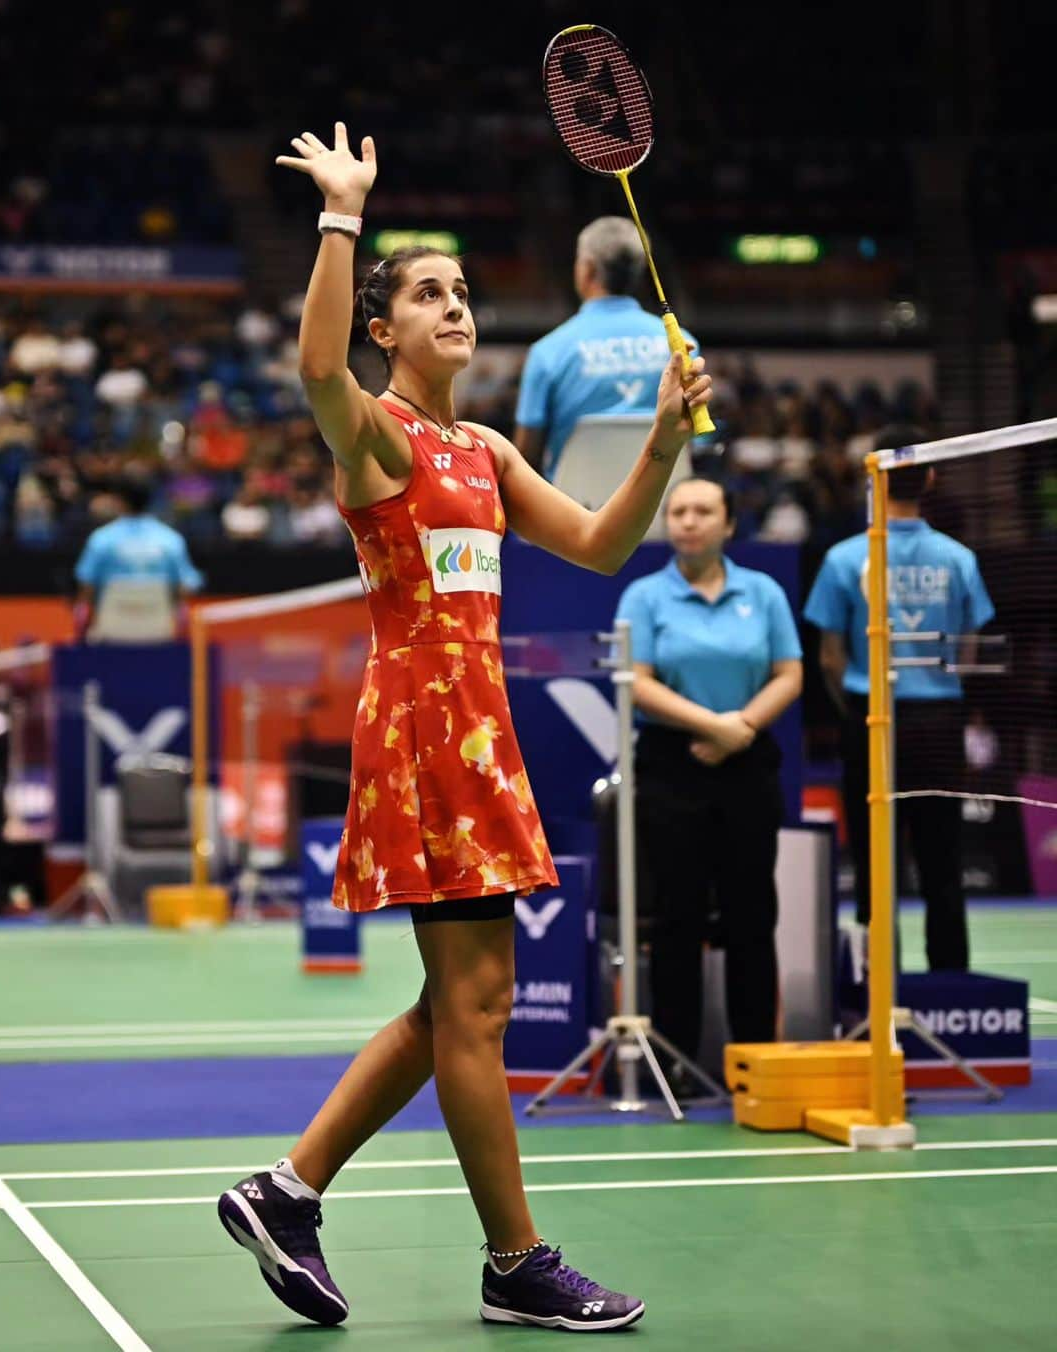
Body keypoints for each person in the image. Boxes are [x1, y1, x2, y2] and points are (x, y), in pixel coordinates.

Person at [216, 122, 712, 1333]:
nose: (456, 307)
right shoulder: (377, 435)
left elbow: (598, 545)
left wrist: (661, 438)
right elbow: (318, 371)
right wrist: (344, 219)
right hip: (427, 727)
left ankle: (288, 1190)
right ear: (388, 328)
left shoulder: (484, 451)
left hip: (479, 730)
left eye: (463, 292)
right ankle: (514, 1259)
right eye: (428, 293)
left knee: (456, 1005)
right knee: (478, 1006)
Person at [614, 477, 802, 1089]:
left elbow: (789, 672)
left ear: (727, 524)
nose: (689, 521)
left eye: (703, 511)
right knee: (677, 917)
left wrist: (740, 727)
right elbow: (635, 681)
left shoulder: (764, 593)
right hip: (672, 765)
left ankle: (756, 1063)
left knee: (752, 913)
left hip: (748, 763)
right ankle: (678, 1063)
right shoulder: (645, 597)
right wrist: (712, 726)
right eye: (679, 511)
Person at [803, 425, 995, 970]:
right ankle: (952, 992)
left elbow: (830, 657)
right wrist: (944, 684)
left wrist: (854, 710)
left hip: (870, 722)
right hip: (939, 722)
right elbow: (972, 645)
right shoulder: (958, 558)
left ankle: (873, 993)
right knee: (943, 863)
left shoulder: (844, 558)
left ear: (875, 477)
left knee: (871, 863)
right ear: (931, 477)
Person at [513, 216, 698, 481]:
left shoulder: (548, 352)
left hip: (575, 512)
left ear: (586, 269)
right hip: (665, 505)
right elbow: (696, 441)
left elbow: (526, 458)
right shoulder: (682, 344)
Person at [73, 477, 203, 641]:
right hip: (160, 633)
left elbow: (86, 587)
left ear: (120, 502)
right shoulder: (170, 540)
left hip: (110, 633)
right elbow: (187, 586)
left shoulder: (101, 539)